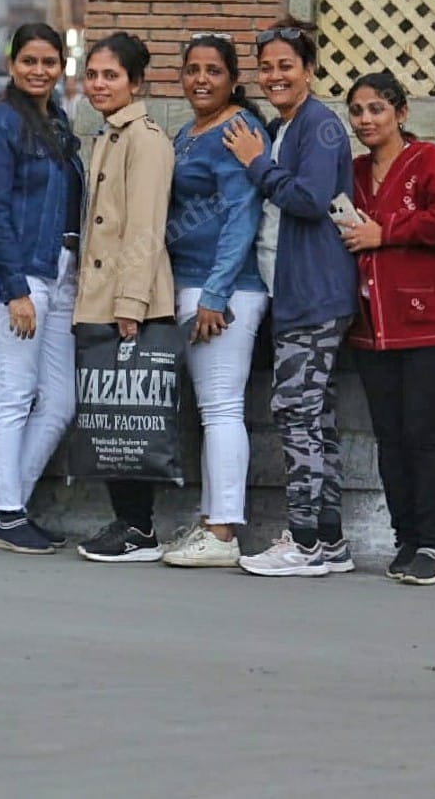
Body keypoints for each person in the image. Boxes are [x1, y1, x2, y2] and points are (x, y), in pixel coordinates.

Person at [223, 16, 358, 577]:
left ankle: (302, 542)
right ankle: (329, 541)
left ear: (309, 69)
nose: (275, 75)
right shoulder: (287, 125)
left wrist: (256, 162)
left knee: (296, 413)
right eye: (267, 67)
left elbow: (308, 197)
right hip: (299, 295)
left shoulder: (320, 126)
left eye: (286, 66)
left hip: (315, 296)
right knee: (315, 416)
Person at [339, 71, 435, 586]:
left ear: (400, 112)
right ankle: (405, 539)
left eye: (376, 108)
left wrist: (385, 232)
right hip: (374, 328)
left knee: (425, 437)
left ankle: (432, 545)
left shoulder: (429, 162)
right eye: (356, 111)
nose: (366, 120)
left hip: (430, 327)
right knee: (390, 438)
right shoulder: (352, 172)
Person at [0, 23, 83, 555]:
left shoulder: (55, 121)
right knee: (15, 393)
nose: (39, 70)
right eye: (29, 61)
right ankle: (5, 513)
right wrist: (13, 288)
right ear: (12, 64)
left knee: (59, 399)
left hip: (56, 272)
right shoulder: (0, 124)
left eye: (49, 61)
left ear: (62, 65)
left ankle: (11, 502)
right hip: (10, 274)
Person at [156, 34, 271, 568]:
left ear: (232, 80)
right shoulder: (189, 131)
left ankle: (223, 532)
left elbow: (241, 214)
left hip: (223, 292)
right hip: (195, 284)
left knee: (222, 408)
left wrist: (216, 294)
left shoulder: (236, 130)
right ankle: (211, 521)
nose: (201, 79)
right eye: (192, 69)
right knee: (211, 410)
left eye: (213, 71)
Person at [71, 32, 176, 562]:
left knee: (130, 416)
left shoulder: (147, 140)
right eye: (92, 75)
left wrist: (129, 304)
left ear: (136, 82)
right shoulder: (106, 135)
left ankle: (139, 527)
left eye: (110, 75)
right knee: (110, 416)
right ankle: (127, 522)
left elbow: (145, 228)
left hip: (128, 301)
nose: (98, 84)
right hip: (98, 297)